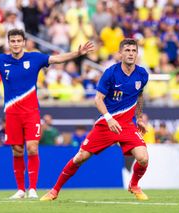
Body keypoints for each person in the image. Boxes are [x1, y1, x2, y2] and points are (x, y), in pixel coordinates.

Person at [0, 29, 94, 199]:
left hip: (31, 113)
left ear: (24, 42)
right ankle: (20, 190)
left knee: (32, 148)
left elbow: (56, 58)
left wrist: (77, 53)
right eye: (13, 41)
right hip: (12, 114)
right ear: (9, 43)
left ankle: (32, 189)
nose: (16, 44)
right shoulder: (1, 60)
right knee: (17, 150)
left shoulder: (35, 58)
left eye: (18, 40)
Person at [40, 39, 149, 201]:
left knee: (143, 158)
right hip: (106, 124)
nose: (131, 54)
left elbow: (139, 94)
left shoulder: (142, 74)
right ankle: (54, 191)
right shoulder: (110, 73)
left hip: (126, 125)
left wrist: (139, 117)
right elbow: (98, 99)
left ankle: (134, 185)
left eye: (133, 50)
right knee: (80, 157)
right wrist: (109, 118)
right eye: (127, 50)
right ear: (120, 54)